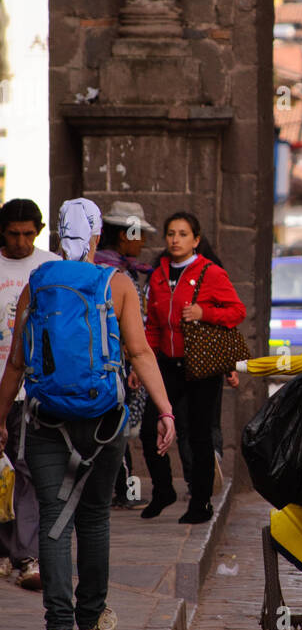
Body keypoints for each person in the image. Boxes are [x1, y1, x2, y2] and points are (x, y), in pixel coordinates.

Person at [0, 198, 175, 630]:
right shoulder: (115, 283)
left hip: (46, 416)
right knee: (94, 517)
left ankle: (57, 627)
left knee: (54, 517)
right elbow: (139, 353)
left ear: (57, 236)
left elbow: (17, 363)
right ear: (97, 236)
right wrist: (166, 410)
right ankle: (91, 618)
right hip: (102, 419)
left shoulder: (37, 282)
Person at [139, 211, 245, 524]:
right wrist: (141, 362)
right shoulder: (158, 274)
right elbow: (153, 324)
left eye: (183, 234)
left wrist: (204, 312)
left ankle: (200, 503)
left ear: (196, 240)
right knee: (149, 429)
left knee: (199, 434)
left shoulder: (210, 272)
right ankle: (163, 490)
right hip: (167, 363)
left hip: (201, 364)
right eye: (171, 233)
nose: (175, 239)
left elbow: (237, 311)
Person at [0, 198, 61, 589]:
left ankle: (26, 555)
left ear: (38, 231)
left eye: (28, 233)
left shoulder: (51, 267)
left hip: (32, 390)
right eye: (12, 234)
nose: (21, 241)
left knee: (26, 471)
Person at [95, 201, 157, 507]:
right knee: (116, 428)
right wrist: (134, 361)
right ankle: (122, 491)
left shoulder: (118, 270)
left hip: (116, 360)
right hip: (115, 362)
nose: (143, 242)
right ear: (124, 236)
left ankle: (120, 490)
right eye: (138, 234)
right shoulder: (115, 274)